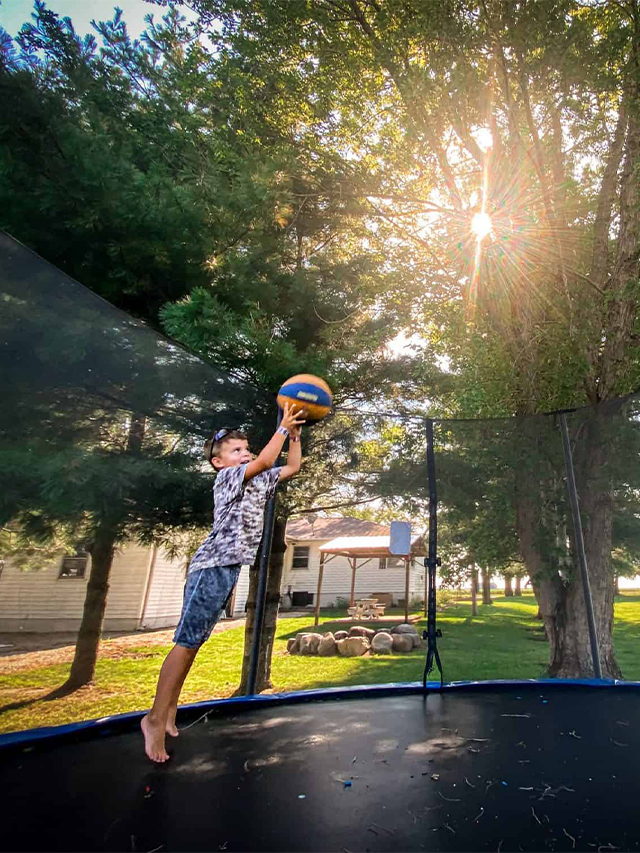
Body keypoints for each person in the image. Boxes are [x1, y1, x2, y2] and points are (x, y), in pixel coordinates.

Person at [141, 402, 306, 762]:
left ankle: (169, 711)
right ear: (219, 461)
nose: (245, 453)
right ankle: (153, 719)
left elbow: (291, 466)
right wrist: (280, 429)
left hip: (229, 568)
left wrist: (294, 436)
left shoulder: (259, 479)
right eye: (237, 450)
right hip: (210, 567)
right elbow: (263, 461)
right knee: (186, 642)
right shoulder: (228, 477)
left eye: (246, 448)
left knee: (195, 642)